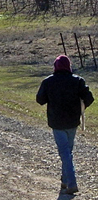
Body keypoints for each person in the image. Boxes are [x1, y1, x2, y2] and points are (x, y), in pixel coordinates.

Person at [36, 55, 94, 195]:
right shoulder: (78, 81)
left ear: (55, 67)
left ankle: (71, 183)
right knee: (67, 152)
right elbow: (90, 98)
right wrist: (79, 107)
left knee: (65, 153)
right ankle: (64, 181)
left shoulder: (48, 81)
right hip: (72, 122)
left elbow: (40, 100)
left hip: (57, 122)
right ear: (69, 66)